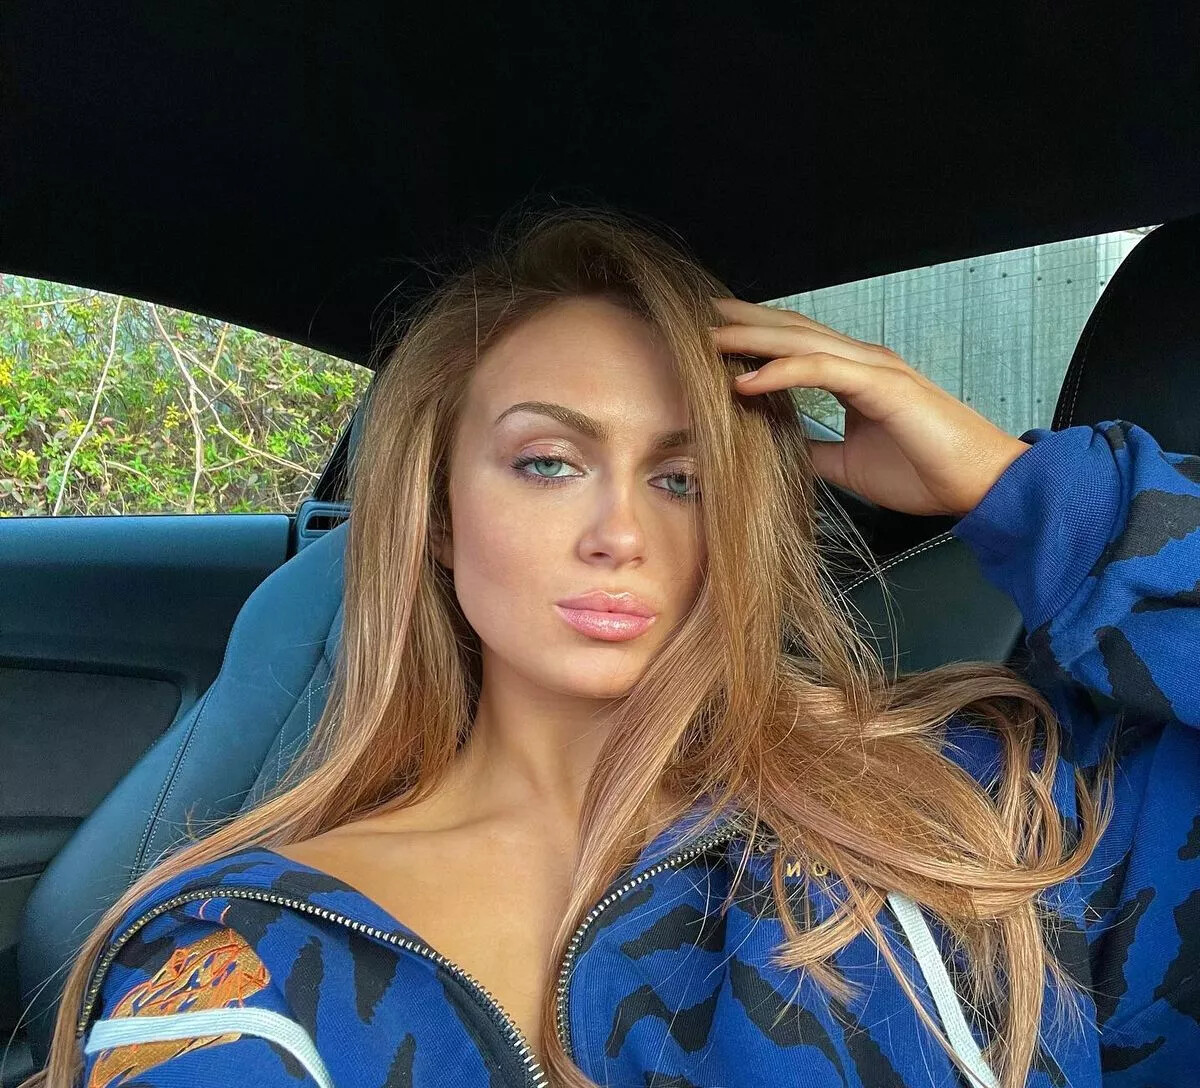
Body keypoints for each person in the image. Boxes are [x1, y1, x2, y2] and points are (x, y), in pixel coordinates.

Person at [25, 207, 1199, 1088]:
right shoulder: (235, 970)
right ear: (440, 516)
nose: (621, 534)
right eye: (549, 462)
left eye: (685, 479)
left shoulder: (978, 820)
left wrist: (1026, 493)